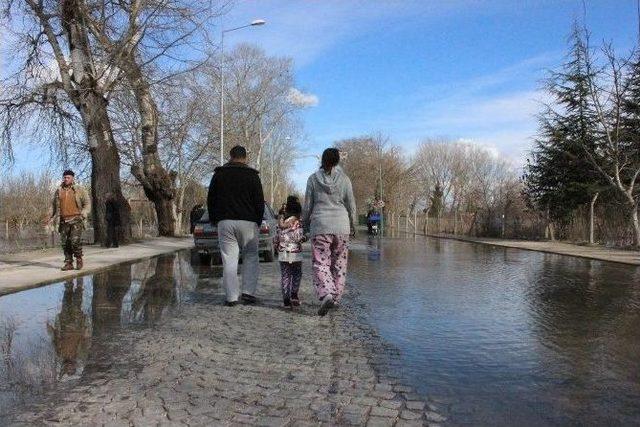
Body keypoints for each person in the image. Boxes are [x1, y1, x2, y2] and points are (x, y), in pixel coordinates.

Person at [207, 145, 265, 306]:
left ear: (230, 156)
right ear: (245, 157)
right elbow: (259, 201)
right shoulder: (253, 176)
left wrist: (214, 219)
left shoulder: (219, 174)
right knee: (251, 256)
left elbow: (211, 199)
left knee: (229, 259)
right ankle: (248, 293)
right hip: (248, 222)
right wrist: (258, 221)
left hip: (226, 222)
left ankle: (231, 297)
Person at [302, 148, 357, 316]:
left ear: (322, 160)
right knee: (340, 264)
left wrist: (305, 224)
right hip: (341, 226)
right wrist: (353, 225)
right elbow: (351, 204)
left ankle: (326, 293)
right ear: (337, 161)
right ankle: (336, 297)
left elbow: (308, 205)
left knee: (321, 262)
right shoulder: (345, 180)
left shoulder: (312, 179)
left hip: (320, 226)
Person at [47, 170, 91, 270]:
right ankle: (69, 263)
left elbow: (87, 203)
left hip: (76, 219)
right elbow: (54, 205)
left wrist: (84, 213)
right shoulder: (59, 190)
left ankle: (79, 259)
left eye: (68, 177)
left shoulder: (79, 189)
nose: (66, 179)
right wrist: (50, 216)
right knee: (65, 243)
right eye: (65, 177)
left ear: (72, 178)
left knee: (74, 241)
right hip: (63, 220)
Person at [274, 196, 305, 308]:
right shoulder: (298, 222)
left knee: (285, 275)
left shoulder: (281, 222)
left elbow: (276, 238)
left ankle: (286, 300)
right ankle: (294, 295)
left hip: (284, 252)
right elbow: (299, 237)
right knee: (296, 274)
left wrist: (277, 246)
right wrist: (304, 238)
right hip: (295, 252)